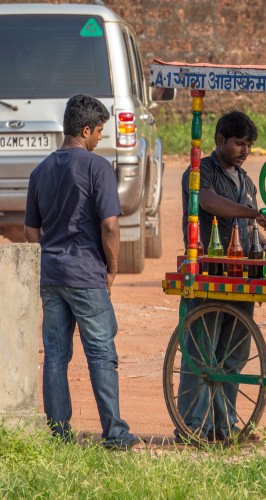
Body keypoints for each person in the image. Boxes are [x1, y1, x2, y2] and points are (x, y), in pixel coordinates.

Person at [24, 94, 142, 450]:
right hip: (86, 274)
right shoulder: (97, 167)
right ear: (85, 129)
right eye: (99, 132)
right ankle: (115, 434)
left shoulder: (40, 170)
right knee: (101, 353)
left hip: (51, 275)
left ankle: (59, 434)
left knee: (56, 356)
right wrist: (113, 267)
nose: (100, 139)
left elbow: (31, 233)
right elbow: (109, 226)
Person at [179, 110, 266, 441]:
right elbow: (209, 202)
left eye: (249, 145)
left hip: (241, 277)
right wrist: (252, 213)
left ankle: (224, 425)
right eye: (239, 144)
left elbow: (253, 233)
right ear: (219, 141)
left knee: (233, 355)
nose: (245, 151)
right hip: (210, 275)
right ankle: (192, 426)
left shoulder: (246, 182)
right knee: (202, 352)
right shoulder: (199, 172)